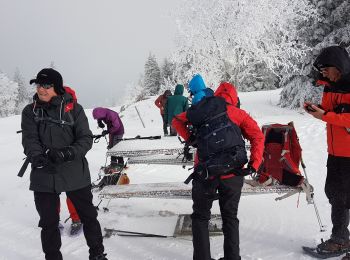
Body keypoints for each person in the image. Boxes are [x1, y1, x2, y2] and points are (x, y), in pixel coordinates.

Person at [172, 77, 264, 260]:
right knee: (230, 217)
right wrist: (254, 164)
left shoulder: (201, 109)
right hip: (233, 174)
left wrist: (192, 139)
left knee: (200, 217)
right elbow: (258, 137)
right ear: (234, 98)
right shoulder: (239, 113)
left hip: (205, 173)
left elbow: (176, 121)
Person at [21, 68, 107, 260]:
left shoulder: (74, 109)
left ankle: (98, 255)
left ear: (57, 87)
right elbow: (29, 139)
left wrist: (68, 152)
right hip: (44, 172)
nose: (41, 90)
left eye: (46, 86)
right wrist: (38, 156)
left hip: (74, 170)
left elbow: (85, 138)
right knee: (48, 223)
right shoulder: (30, 111)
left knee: (89, 217)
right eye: (39, 85)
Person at [304, 46, 350, 258]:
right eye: (321, 71)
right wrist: (318, 111)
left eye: (326, 70)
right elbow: (332, 114)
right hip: (336, 153)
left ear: (338, 67)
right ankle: (340, 239)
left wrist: (325, 116)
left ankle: (341, 240)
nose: (323, 74)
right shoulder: (329, 87)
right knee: (335, 194)